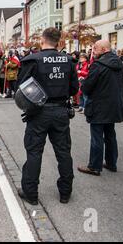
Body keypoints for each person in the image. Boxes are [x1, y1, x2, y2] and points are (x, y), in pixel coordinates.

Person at [17, 28, 79, 205]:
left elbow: (21, 88)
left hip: (39, 112)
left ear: (42, 40)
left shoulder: (33, 60)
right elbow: (74, 89)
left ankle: (31, 193)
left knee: (34, 152)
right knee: (63, 152)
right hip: (61, 111)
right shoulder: (68, 60)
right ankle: (65, 193)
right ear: (59, 41)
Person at [78, 40, 123, 176]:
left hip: (99, 105)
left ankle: (94, 166)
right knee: (110, 135)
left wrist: (83, 84)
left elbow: (88, 86)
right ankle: (111, 162)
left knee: (97, 136)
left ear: (104, 49)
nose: (93, 51)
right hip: (113, 104)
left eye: (96, 48)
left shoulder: (98, 65)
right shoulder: (118, 62)